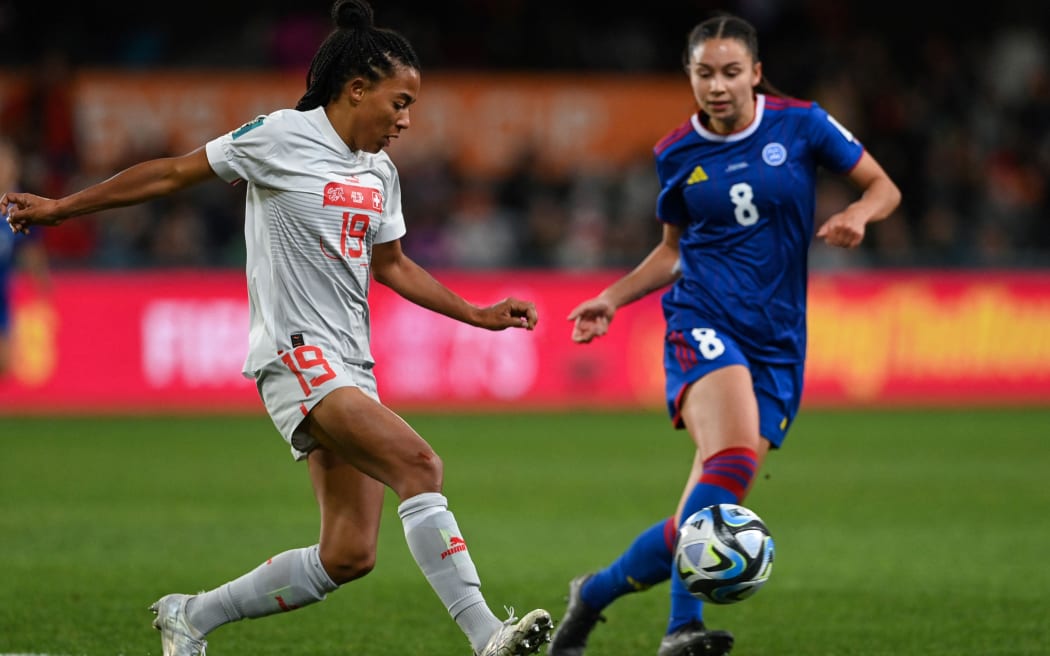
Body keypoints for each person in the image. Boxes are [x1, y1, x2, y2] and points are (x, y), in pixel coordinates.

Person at [2, 2, 552, 655]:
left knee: (348, 554)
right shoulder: (280, 137)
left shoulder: (380, 173)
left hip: (353, 366)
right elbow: (175, 171)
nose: (406, 119)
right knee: (419, 465)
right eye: (399, 102)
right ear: (356, 90)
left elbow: (393, 265)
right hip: (297, 354)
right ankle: (487, 635)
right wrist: (64, 207)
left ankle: (190, 615)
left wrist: (478, 314)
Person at [548, 12, 900, 656]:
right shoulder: (676, 153)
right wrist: (611, 299)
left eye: (731, 72)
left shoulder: (801, 124)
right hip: (702, 320)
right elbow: (672, 252)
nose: (718, 85)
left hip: (777, 341)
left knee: (707, 503)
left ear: (756, 74)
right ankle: (682, 629)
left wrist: (857, 212)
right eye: (704, 73)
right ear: (689, 75)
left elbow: (884, 186)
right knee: (733, 460)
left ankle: (592, 595)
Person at [0, 137, 51, 378]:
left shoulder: (19, 208)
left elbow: (32, 247)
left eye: (5, 161)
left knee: (5, 362)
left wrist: (40, 279)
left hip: (2, 296)